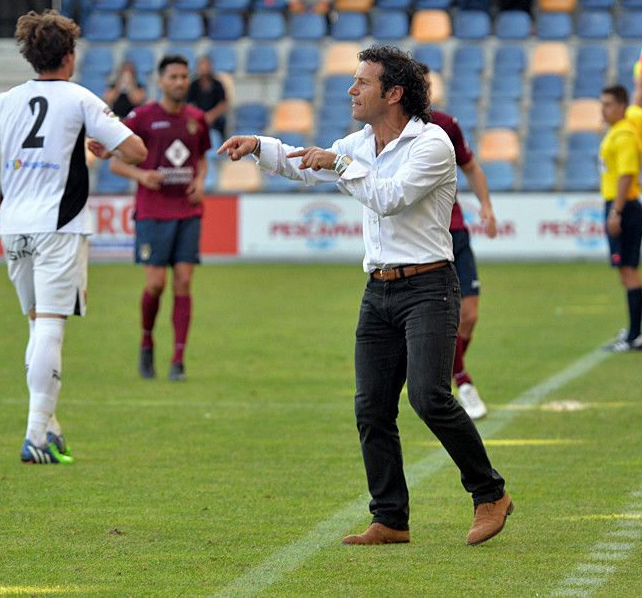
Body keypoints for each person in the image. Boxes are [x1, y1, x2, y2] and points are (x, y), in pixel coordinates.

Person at [218, 45, 512, 546]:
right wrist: (259, 145)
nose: (351, 89)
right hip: (378, 289)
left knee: (428, 396)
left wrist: (340, 162)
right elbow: (308, 166)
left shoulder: (432, 143)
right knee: (372, 407)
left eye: (362, 82)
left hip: (429, 287)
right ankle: (391, 519)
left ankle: (490, 494)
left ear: (393, 93)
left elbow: (390, 197)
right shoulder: (361, 141)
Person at [0, 10, 146, 464]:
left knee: (37, 323)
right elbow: (137, 151)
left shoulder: (4, 101)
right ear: (69, 54)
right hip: (59, 227)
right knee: (50, 327)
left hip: (14, 226)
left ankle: (49, 426)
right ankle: (36, 434)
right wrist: (105, 144)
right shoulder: (79, 99)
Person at [111, 55, 210, 382]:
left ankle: (178, 360)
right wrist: (140, 175)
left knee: (183, 282)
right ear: (161, 81)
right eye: (174, 77)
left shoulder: (197, 118)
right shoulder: (141, 118)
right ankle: (146, 341)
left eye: (184, 76)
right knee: (155, 284)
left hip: (188, 211)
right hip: (153, 212)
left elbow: (201, 158)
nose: (180, 82)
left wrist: (199, 181)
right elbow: (114, 162)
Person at [417, 64, 498, 420]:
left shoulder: (446, 125)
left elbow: (470, 166)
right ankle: (461, 379)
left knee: (469, 315)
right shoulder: (388, 132)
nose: (427, 92)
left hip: (456, 233)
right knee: (437, 322)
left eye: (428, 86)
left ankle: (448, 373)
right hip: (423, 239)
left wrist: (486, 206)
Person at [598, 78, 642, 352]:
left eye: (607, 105)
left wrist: (616, 211)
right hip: (623, 206)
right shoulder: (630, 123)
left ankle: (634, 336)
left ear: (620, 107)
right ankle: (633, 332)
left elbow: (627, 173)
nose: (602, 110)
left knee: (629, 272)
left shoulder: (624, 135)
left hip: (624, 206)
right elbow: (638, 108)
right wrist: (639, 87)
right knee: (626, 272)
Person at [186, 56, 228, 141]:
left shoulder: (217, 84)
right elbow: (189, 104)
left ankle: (222, 144)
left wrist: (211, 116)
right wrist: (200, 116)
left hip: (214, 117)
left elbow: (223, 104)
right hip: (198, 116)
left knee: (222, 120)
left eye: (206, 65)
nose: (204, 68)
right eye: (201, 65)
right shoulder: (193, 84)